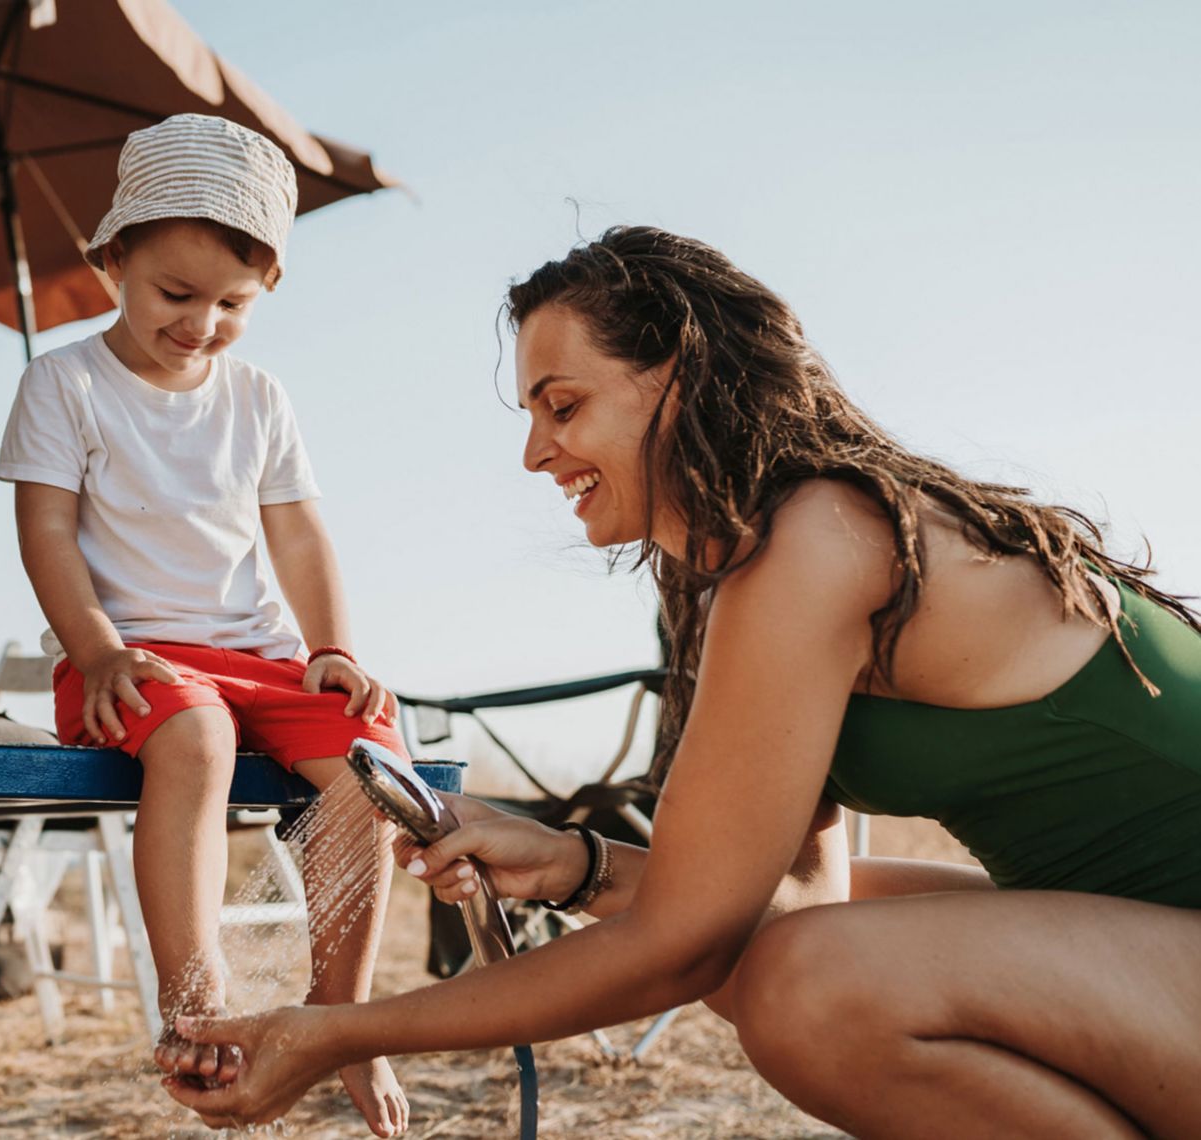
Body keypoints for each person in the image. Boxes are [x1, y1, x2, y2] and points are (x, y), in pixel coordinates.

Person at [164, 226, 1201, 1138]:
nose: (535, 452)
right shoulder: (752, 566)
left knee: (812, 986)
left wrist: (335, 1033)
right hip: (1152, 960)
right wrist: (574, 865)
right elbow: (784, 896)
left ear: (681, 375)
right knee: (787, 945)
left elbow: (682, 946)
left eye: (562, 405)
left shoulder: (823, 541)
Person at [0, 113, 411, 1138]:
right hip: (131, 659)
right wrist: (92, 649)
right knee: (197, 736)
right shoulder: (63, 382)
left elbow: (300, 539)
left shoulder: (259, 398)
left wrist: (332, 651)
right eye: (175, 294)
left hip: (260, 656)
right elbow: (44, 530)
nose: (201, 322)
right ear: (113, 260)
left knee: (372, 772)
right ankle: (200, 1004)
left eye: (231, 303)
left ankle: (338, 1019)